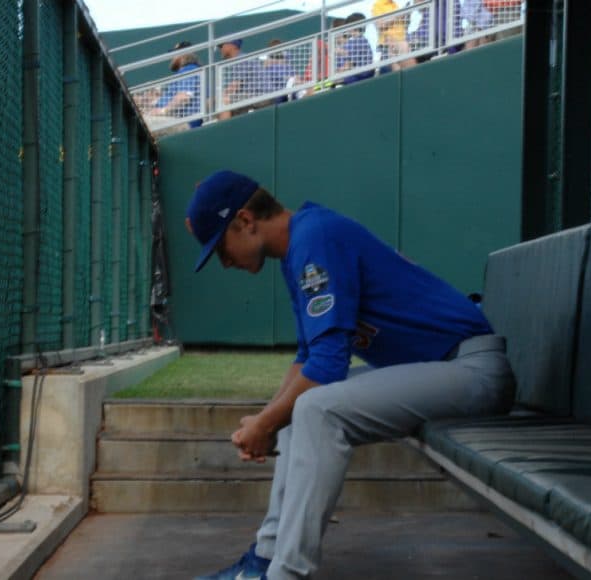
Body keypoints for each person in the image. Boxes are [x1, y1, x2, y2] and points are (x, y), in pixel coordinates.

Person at [186, 170, 516, 580]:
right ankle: (264, 560)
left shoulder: (315, 237)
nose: (224, 260)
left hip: (472, 370)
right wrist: (269, 419)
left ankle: (285, 574)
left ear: (246, 221)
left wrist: (264, 423)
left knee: (316, 410)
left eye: (221, 246)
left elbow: (327, 365)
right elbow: (309, 355)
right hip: (440, 368)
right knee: (296, 411)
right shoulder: (300, 246)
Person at [148, 41, 204, 136]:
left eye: (174, 53)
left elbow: (184, 97)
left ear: (183, 54)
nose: (171, 57)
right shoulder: (186, 71)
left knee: (140, 123)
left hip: (184, 123)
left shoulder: (189, 69)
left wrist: (162, 111)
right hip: (174, 120)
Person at [217, 38, 263, 120]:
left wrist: (224, 94)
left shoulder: (241, 59)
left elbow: (235, 86)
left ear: (231, 46)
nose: (220, 49)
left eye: (222, 46)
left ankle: (224, 130)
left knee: (225, 100)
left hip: (260, 95)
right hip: (253, 95)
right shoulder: (239, 59)